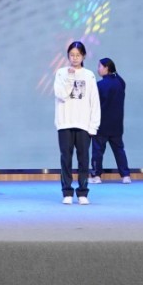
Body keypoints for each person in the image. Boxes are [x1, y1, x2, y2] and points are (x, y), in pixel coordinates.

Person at [54, 40, 101, 205]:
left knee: (83, 159)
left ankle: (82, 192)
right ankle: (67, 191)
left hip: (83, 124)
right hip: (65, 123)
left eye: (78, 55)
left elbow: (94, 101)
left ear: (84, 56)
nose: (74, 58)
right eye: (72, 55)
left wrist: (93, 125)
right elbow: (61, 94)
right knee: (65, 159)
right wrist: (70, 77)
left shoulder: (89, 75)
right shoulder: (61, 73)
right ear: (68, 56)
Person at [91, 57, 131, 185]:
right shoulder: (120, 82)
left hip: (102, 124)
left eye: (100, 66)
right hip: (117, 124)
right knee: (119, 150)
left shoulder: (99, 85)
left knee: (97, 151)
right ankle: (125, 175)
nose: (98, 69)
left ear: (106, 68)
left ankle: (96, 176)